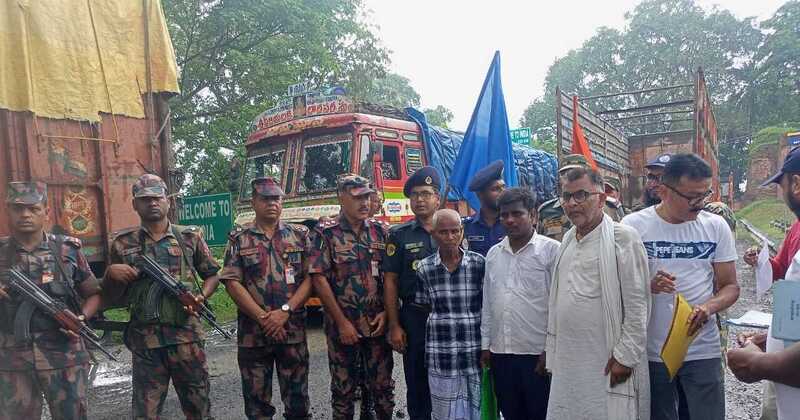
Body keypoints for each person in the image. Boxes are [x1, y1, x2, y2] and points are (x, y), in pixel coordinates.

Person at [622, 154, 739, 420]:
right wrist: (647, 286)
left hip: (701, 347)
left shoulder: (715, 227)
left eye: (704, 194)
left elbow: (730, 286)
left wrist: (709, 307)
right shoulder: (632, 227)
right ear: (663, 189)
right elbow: (617, 286)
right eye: (691, 197)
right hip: (652, 351)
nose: (700, 204)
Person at [104, 174, 221, 420]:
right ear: (135, 205)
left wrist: (201, 298)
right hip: (146, 345)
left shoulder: (190, 236)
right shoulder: (122, 244)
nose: (152, 203)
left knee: (199, 410)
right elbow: (114, 297)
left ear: (168, 201)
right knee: (145, 414)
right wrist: (110, 275)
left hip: (186, 339)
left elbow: (212, 275)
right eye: (145, 199)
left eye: (157, 197)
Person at [546, 167, 651, 420]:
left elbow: (638, 305)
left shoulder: (622, 238)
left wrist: (625, 357)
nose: (572, 203)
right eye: (567, 197)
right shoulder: (568, 240)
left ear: (602, 198)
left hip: (607, 359)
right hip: (570, 359)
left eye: (581, 195)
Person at [0, 181, 103, 420]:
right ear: (8, 212)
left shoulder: (67, 250)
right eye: (18, 208)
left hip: (64, 355)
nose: (25, 214)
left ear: (46, 212)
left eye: (33, 208)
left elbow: (94, 293)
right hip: (11, 359)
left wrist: (81, 318)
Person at [220, 177, 313, 420]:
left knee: (298, 404)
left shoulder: (299, 235)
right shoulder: (239, 239)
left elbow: (311, 279)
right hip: (254, 336)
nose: (272, 203)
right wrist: (264, 318)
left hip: (291, 331)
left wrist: (285, 311)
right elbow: (232, 282)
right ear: (253, 202)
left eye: (277, 198)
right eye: (265, 199)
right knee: (257, 407)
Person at [309, 174, 394, 420]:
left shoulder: (381, 232)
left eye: (367, 196)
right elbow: (318, 278)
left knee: (382, 388)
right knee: (344, 391)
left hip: (377, 325)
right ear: (341, 198)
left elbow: (391, 277)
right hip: (342, 327)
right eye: (357, 197)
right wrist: (342, 322)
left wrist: (387, 313)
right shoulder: (326, 233)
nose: (364, 202)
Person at [728, 146, 800, 420]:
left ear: (796, 184)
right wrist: (774, 339)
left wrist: (762, 363)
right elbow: (782, 269)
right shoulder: (796, 229)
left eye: (781, 185)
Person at [480, 188, 558, 420]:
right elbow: (488, 301)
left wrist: (550, 350)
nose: (510, 220)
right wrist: (486, 345)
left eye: (517, 213)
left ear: (533, 215)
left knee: (540, 413)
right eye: (504, 215)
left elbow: (558, 305)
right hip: (501, 354)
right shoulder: (494, 254)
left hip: (537, 356)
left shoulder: (551, 251)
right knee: (510, 412)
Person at [383, 167, 441, 420]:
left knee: (452, 378)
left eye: (426, 193)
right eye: (415, 194)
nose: (420, 199)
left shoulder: (453, 229)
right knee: (417, 382)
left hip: (448, 317)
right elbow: (391, 281)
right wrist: (395, 325)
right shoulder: (399, 235)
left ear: (437, 198)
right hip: (415, 317)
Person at [415, 209, 484, 420]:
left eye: (455, 231)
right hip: (442, 353)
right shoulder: (424, 268)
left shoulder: (479, 264)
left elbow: (487, 306)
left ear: (462, 232)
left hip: (474, 351)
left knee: (479, 410)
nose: (450, 237)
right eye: (443, 232)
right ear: (434, 234)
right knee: (445, 413)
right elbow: (424, 305)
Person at [536, 154, 587, 241]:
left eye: (576, 174)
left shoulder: (599, 207)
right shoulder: (546, 211)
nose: (571, 179)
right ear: (559, 179)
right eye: (565, 174)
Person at [463, 160, 506, 255]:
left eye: (503, 187)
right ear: (480, 194)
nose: (503, 192)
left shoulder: (511, 223)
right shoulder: (467, 227)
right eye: (495, 189)